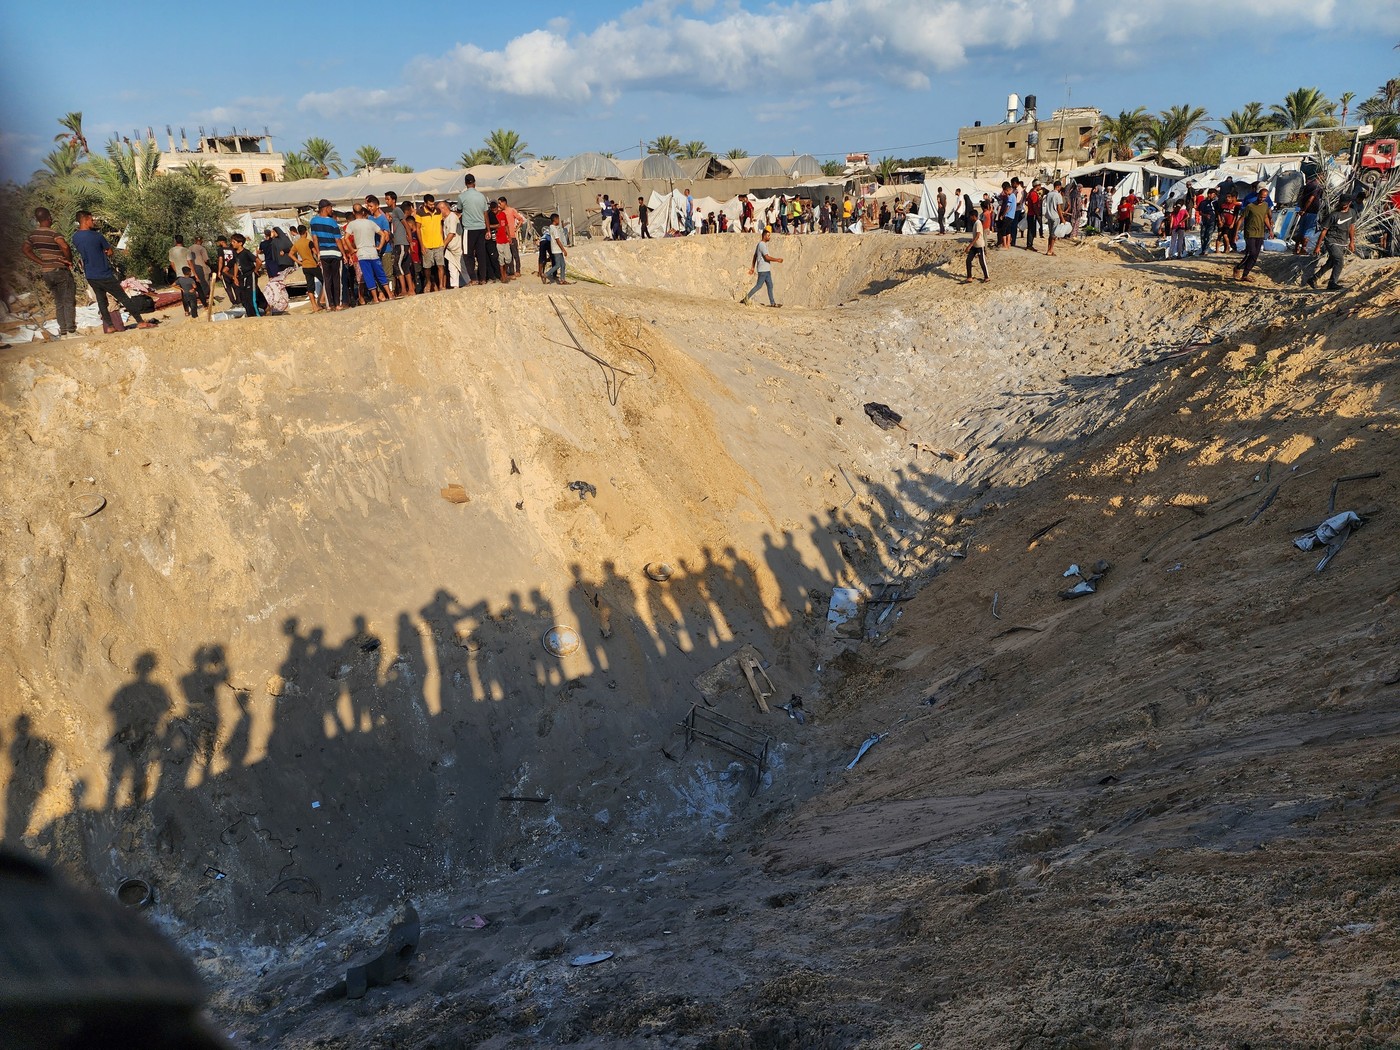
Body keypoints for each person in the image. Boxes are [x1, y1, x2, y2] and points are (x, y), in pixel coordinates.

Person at [71, 211, 155, 332]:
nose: (93, 222)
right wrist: (104, 252)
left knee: (101, 300)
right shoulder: (96, 236)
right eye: (91, 220)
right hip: (103, 272)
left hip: (90, 274)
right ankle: (140, 321)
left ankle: (110, 326)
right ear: (86, 220)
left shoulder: (76, 237)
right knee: (123, 298)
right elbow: (109, 251)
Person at [22, 206, 77, 336]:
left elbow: (25, 249)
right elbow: (64, 246)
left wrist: (41, 262)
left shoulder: (33, 235)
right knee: (68, 300)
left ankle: (63, 331)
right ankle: (71, 330)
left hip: (47, 272)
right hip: (60, 270)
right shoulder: (54, 233)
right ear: (48, 218)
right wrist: (69, 260)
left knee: (59, 302)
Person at [1306, 194, 1356, 291]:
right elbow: (1324, 231)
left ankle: (1313, 279)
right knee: (1339, 261)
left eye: (1345, 204)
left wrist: (1352, 242)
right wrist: (1318, 246)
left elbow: (1351, 227)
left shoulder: (1352, 213)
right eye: (1342, 203)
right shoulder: (1334, 215)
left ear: (1349, 203)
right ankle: (1332, 283)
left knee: (1332, 262)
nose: (1343, 205)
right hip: (1331, 240)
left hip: (1342, 241)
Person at [346, 203, 391, 302]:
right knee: (380, 274)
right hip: (373, 252)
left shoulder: (352, 224)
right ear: (363, 211)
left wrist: (352, 250)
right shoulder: (370, 222)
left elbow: (346, 238)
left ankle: (375, 298)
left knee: (369, 276)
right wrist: (379, 247)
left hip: (362, 253)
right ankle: (390, 294)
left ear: (353, 213)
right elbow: (383, 235)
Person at [308, 199, 344, 310]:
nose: (331, 210)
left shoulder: (313, 221)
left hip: (323, 253)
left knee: (327, 280)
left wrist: (318, 253)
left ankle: (329, 305)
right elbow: (338, 240)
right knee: (336, 279)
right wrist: (343, 253)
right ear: (326, 208)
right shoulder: (332, 222)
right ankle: (338, 304)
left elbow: (315, 239)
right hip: (334, 253)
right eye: (330, 207)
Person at [1233, 187, 1273, 283]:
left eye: (1264, 197)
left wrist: (1270, 229)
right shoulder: (1250, 206)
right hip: (1250, 232)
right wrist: (1235, 233)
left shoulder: (1266, 206)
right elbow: (1241, 219)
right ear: (1258, 195)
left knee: (1255, 256)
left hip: (1260, 233)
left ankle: (1245, 275)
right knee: (1251, 253)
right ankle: (1238, 267)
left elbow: (1265, 218)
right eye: (1261, 197)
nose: (1261, 199)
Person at [457, 174, 490, 284]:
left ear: (466, 183)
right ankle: (483, 278)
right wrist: (488, 230)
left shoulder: (462, 197)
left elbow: (459, 210)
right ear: (474, 183)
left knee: (468, 254)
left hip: (469, 229)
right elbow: (485, 214)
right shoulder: (481, 196)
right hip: (481, 228)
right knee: (481, 254)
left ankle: (473, 278)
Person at [740, 226, 783, 307]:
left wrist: (752, 267)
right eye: (768, 235)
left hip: (766, 269)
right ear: (764, 235)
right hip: (763, 270)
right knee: (759, 286)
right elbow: (766, 257)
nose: (769, 237)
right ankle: (745, 299)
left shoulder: (760, 244)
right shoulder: (762, 245)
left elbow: (755, 256)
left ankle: (772, 303)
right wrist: (777, 260)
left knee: (770, 285)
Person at [228, 233, 267, 316]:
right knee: (244, 296)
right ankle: (264, 307)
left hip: (250, 275)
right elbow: (236, 264)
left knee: (250, 296)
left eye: (234, 242)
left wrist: (255, 271)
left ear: (240, 243)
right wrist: (235, 277)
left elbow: (259, 262)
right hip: (242, 276)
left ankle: (254, 315)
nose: (232, 243)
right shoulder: (235, 253)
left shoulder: (246, 252)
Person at [286, 225, 320, 311]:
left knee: (310, 286)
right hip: (313, 265)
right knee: (324, 281)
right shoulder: (309, 242)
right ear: (305, 232)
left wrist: (299, 262)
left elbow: (290, 254)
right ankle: (323, 301)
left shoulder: (297, 244)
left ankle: (314, 306)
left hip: (305, 266)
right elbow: (315, 253)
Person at [1293, 172, 1324, 254]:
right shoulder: (1317, 187)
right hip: (1311, 211)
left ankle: (1296, 248)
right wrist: (1304, 209)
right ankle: (1303, 248)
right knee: (1308, 231)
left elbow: (1301, 197)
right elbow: (1311, 199)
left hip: (1304, 211)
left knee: (1301, 230)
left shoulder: (1308, 185)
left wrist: (1302, 209)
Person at [963, 206, 989, 284]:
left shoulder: (978, 223)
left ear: (974, 216)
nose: (970, 218)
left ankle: (986, 277)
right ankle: (969, 277)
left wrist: (970, 245)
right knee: (968, 260)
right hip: (975, 246)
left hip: (979, 246)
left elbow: (978, 235)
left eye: (971, 216)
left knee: (982, 262)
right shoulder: (975, 223)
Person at [544, 212, 569, 284]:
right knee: (558, 265)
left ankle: (562, 280)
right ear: (555, 220)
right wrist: (563, 249)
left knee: (563, 265)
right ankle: (546, 274)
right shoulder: (553, 229)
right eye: (558, 219)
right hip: (556, 249)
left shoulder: (553, 228)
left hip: (558, 249)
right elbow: (557, 240)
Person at [1043, 180, 1065, 256]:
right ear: (1058, 187)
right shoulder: (1058, 195)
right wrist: (1062, 219)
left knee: (1050, 234)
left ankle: (1049, 249)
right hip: (1055, 216)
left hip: (1049, 216)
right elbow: (1059, 208)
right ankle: (1050, 250)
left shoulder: (1049, 194)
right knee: (1054, 235)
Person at [188, 235, 211, 307]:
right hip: (202, 268)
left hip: (193, 269)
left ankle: (199, 299)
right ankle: (206, 300)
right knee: (205, 284)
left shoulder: (189, 248)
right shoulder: (202, 248)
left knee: (198, 285)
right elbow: (206, 259)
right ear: (201, 240)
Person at [1196, 188, 1219, 256]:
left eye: (1215, 195)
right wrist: (1205, 215)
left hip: (1212, 221)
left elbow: (1218, 212)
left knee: (1209, 236)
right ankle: (1203, 250)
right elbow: (1200, 212)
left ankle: (1206, 250)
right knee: (1203, 236)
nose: (1214, 196)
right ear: (1209, 194)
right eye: (1213, 194)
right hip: (1204, 222)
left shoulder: (1215, 203)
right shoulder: (1203, 203)